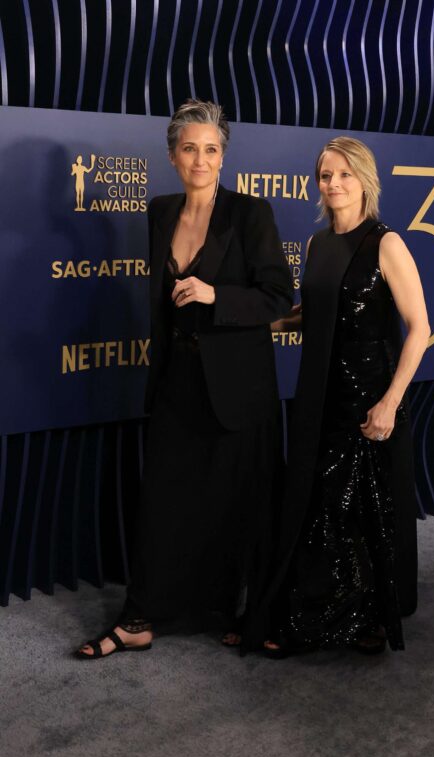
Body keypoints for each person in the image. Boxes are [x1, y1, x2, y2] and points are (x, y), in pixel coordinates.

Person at [76, 99, 293, 659]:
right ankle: (138, 619)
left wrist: (215, 294)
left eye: (212, 149)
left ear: (224, 158)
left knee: (239, 504)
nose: (202, 159)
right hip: (177, 377)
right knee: (164, 503)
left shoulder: (250, 214)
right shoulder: (159, 210)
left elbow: (277, 297)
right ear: (173, 156)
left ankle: (239, 613)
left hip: (239, 388)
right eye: (191, 148)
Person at [262, 136, 430, 656]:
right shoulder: (316, 246)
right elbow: (311, 315)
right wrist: (253, 324)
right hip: (321, 396)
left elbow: (419, 328)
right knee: (321, 506)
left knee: (365, 510)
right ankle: (325, 608)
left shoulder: (387, 244)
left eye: (343, 174)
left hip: (370, 400)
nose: (333, 184)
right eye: (325, 176)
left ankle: (371, 616)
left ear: (365, 181)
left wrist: (390, 402)